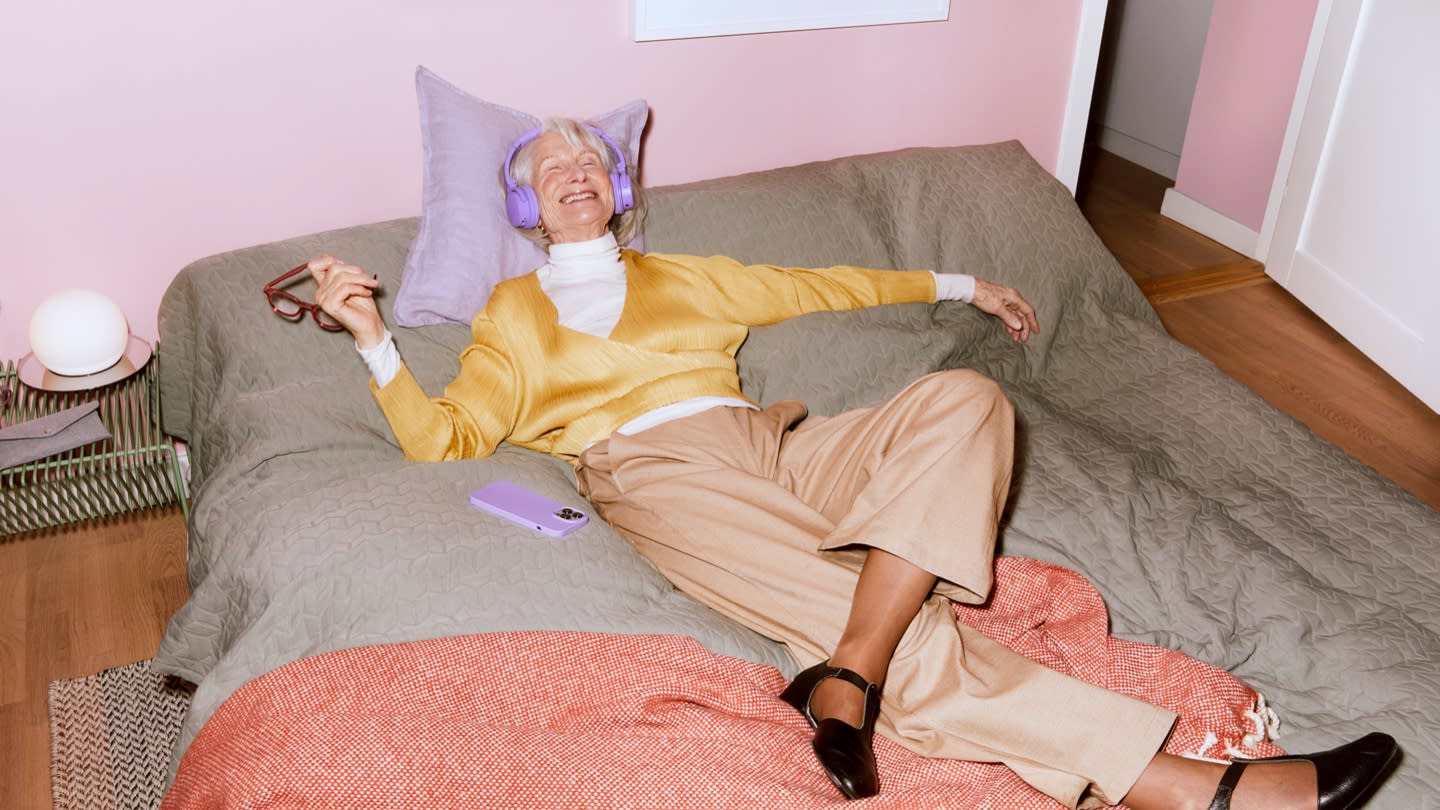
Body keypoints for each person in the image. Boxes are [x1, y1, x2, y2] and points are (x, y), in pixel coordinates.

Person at [308, 117, 1398, 810]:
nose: (574, 170)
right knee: (875, 605)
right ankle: (1189, 788)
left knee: (967, 402)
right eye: (549, 168)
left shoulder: (690, 273)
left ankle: (850, 673)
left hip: (776, 443)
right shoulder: (509, 313)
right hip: (652, 473)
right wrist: (373, 340)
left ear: (618, 183)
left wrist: (962, 285)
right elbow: (442, 436)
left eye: (588, 156)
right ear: (523, 206)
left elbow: (828, 286)